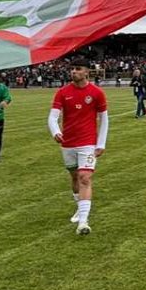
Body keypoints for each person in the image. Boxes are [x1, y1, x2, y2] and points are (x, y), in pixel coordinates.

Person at [48, 55, 108, 235]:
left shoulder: (97, 93)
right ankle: (79, 207)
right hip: (68, 143)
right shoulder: (62, 92)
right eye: (72, 69)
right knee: (74, 177)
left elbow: (104, 119)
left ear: (87, 71)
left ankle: (83, 222)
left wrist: (101, 143)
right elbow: (52, 116)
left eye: (78, 69)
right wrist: (56, 131)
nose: (74, 72)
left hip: (87, 143)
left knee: (84, 177)